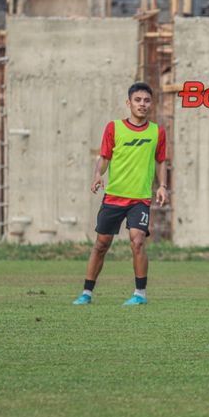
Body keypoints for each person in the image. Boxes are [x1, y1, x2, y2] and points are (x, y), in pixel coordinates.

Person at [73, 82, 168, 306]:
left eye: (146, 100)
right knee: (101, 244)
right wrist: (98, 174)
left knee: (137, 242)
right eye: (138, 100)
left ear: (151, 104)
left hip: (140, 199)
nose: (142, 104)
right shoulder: (114, 128)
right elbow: (104, 157)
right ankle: (86, 293)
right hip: (114, 196)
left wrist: (162, 186)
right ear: (129, 103)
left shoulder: (157, 132)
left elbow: (161, 161)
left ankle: (140, 295)